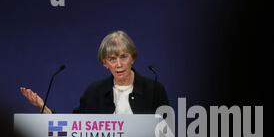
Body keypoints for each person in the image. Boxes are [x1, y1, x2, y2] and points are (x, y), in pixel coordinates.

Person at [20, 30, 168, 114]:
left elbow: (166, 135)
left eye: (123, 57)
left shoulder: (154, 89)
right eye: (112, 59)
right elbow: (74, 129)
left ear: (133, 58)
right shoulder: (94, 92)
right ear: (105, 63)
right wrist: (44, 108)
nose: (119, 64)